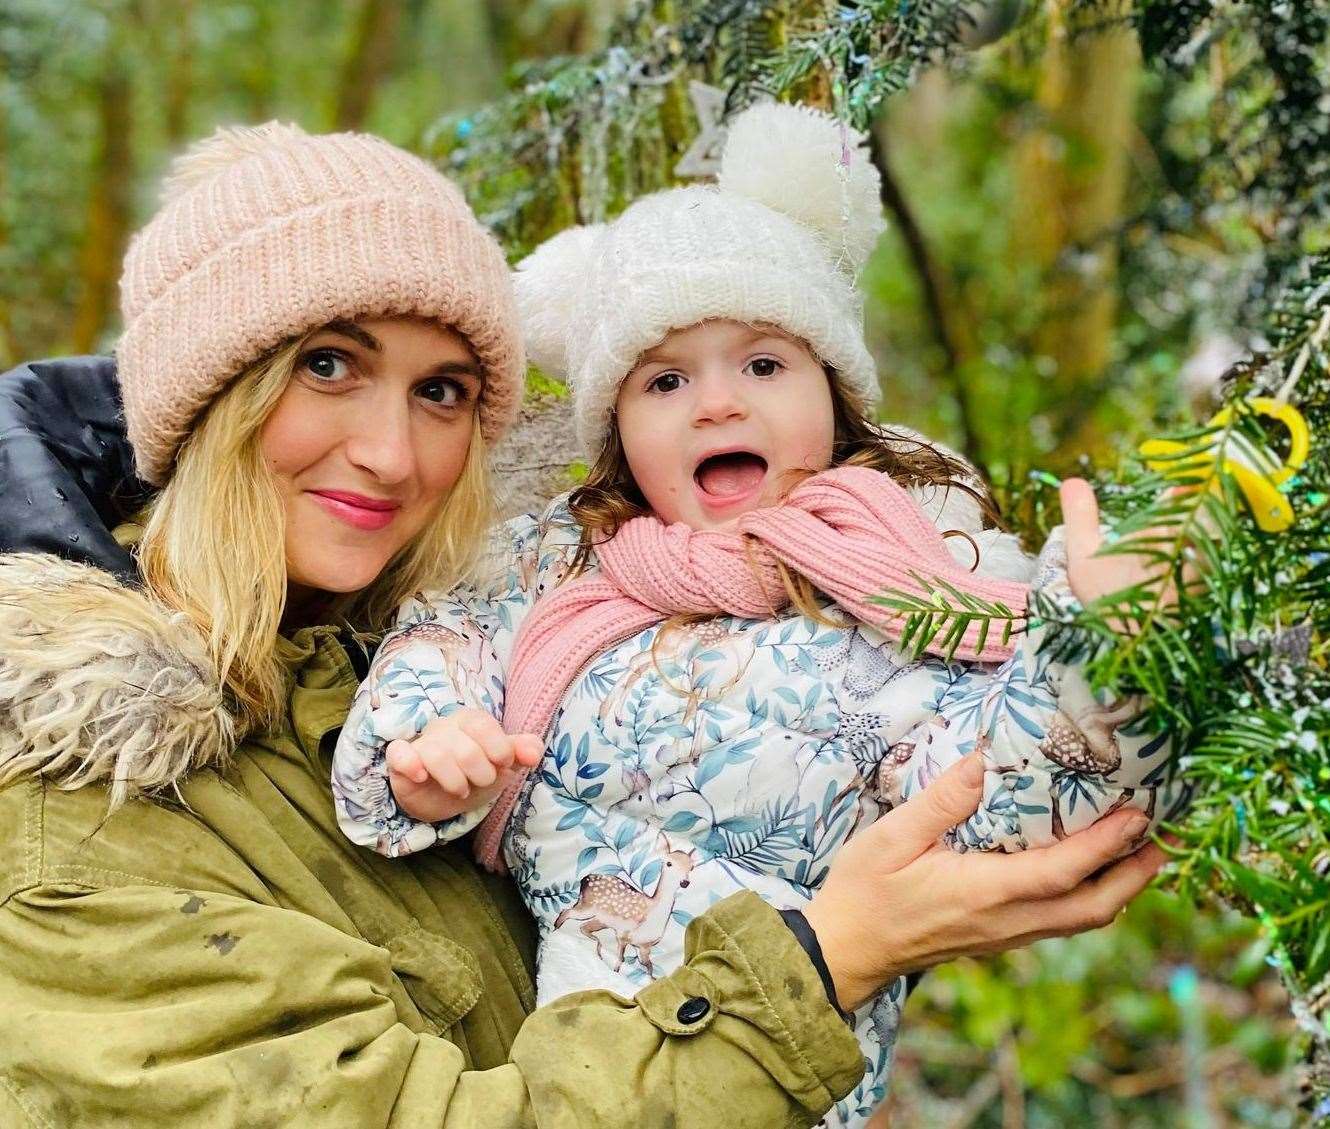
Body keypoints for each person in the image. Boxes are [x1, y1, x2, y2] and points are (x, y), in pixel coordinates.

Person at [0, 119, 1166, 1129]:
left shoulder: (410, 641)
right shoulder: (71, 835)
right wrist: (828, 960)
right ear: (207, 388)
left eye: (442, 388)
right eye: (327, 365)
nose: (392, 452)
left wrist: (1078, 691)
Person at [330, 105, 1186, 1126]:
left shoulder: (906, 568)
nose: (717, 404)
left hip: (811, 1006)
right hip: (604, 977)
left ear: (834, 393)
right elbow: (451, 629)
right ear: (616, 432)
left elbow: (1004, 794)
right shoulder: (561, 550)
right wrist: (428, 749)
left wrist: (1102, 644)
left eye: (765, 364)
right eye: (665, 379)